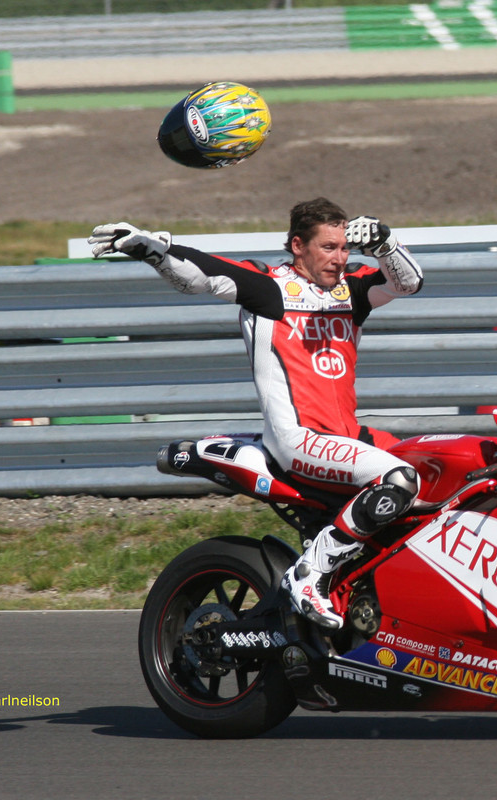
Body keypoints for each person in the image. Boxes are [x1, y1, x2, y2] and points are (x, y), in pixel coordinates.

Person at [88, 198, 424, 628]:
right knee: (399, 480)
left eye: (344, 248)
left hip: (347, 437)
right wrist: (149, 247)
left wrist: (385, 242)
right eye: (327, 248)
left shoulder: (352, 289)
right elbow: (203, 275)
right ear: (298, 246)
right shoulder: (270, 287)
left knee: (443, 474)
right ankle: (311, 574)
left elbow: (409, 283)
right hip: (299, 440)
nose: (339, 259)